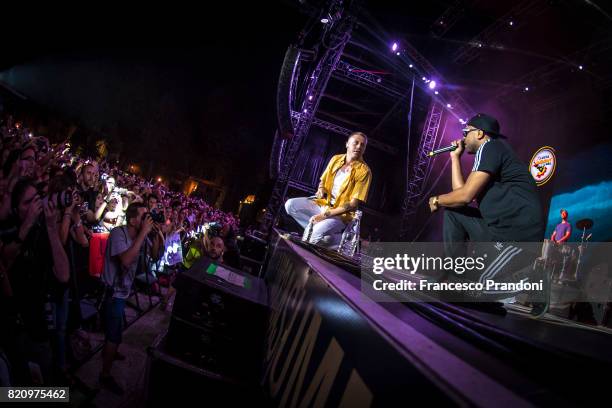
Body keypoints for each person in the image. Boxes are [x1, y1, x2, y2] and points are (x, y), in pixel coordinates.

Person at [428, 113, 544, 287]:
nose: (463, 137)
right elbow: (459, 196)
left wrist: (436, 199)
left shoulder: (491, 147)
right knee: (454, 212)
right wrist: (455, 158)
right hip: (497, 230)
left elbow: (464, 197)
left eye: (466, 132)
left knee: (477, 290)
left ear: (480, 134)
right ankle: (452, 275)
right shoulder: (491, 151)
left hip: (518, 237)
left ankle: (533, 281)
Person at [99, 202, 162, 394]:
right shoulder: (119, 233)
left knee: (117, 330)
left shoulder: (140, 235)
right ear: (134, 219)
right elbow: (126, 261)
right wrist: (144, 233)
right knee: (114, 334)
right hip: (111, 293)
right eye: (143, 216)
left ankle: (111, 350)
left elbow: (155, 255)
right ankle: (105, 375)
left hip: (122, 292)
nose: (146, 219)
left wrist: (156, 234)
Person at [284, 132, 371, 248]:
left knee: (314, 236)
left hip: (341, 215)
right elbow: (322, 181)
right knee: (290, 205)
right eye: (356, 143)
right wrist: (321, 189)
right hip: (323, 205)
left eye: (363, 145)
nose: (359, 146)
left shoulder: (364, 171)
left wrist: (324, 216)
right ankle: (326, 238)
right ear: (347, 144)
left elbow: (352, 205)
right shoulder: (336, 159)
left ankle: (340, 239)